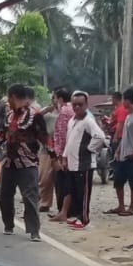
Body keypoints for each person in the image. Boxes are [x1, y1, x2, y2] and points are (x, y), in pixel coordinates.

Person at [0, 84, 42, 240]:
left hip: (27, 162)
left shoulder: (35, 116)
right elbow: (1, 135)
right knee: (4, 196)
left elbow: (44, 136)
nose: (8, 102)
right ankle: (8, 224)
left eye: (9, 98)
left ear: (13, 97)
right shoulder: (9, 116)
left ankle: (34, 230)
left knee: (30, 197)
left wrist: (53, 155)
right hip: (8, 162)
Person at [60, 90, 106, 230]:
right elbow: (69, 141)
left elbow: (100, 136)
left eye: (80, 104)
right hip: (73, 163)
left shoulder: (88, 121)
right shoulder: (72, 121)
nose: (77, 107)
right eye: (74, 104)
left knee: (84, 193)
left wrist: (89, 149)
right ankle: (77, 216)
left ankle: (85, 219)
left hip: (84, 164)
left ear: (86, 104)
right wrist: (65, 156)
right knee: (75, 192)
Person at [107, 86, 133, 216]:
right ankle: (121, 206)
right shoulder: (128, 116)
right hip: (123, 154)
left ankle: (132, 207)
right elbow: (125, 136)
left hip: (132, 156)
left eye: (124, 100)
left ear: (128, 100)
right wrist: (118, 150)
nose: (123, 102)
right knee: (118, 181)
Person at [48, 87, 75, 220]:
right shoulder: (69, 109)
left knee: (63, 182)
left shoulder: (65, 111)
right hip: (69, 152)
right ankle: (64, 211)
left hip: (64, 153)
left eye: (54, 98)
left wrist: (59, 155)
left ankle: (63, 212)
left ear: (59, 98)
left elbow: (62, 135)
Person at [38, 89, 66, 214]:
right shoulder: (47, 114)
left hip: (61, 149)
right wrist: (45, 110)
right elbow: (35, 118)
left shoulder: (66, 113)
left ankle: (62, 206)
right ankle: (45, 202)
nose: (54, 100)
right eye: (53, 98)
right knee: (44, 178)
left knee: (61, 179)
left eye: (56, 98)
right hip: (47, 149)